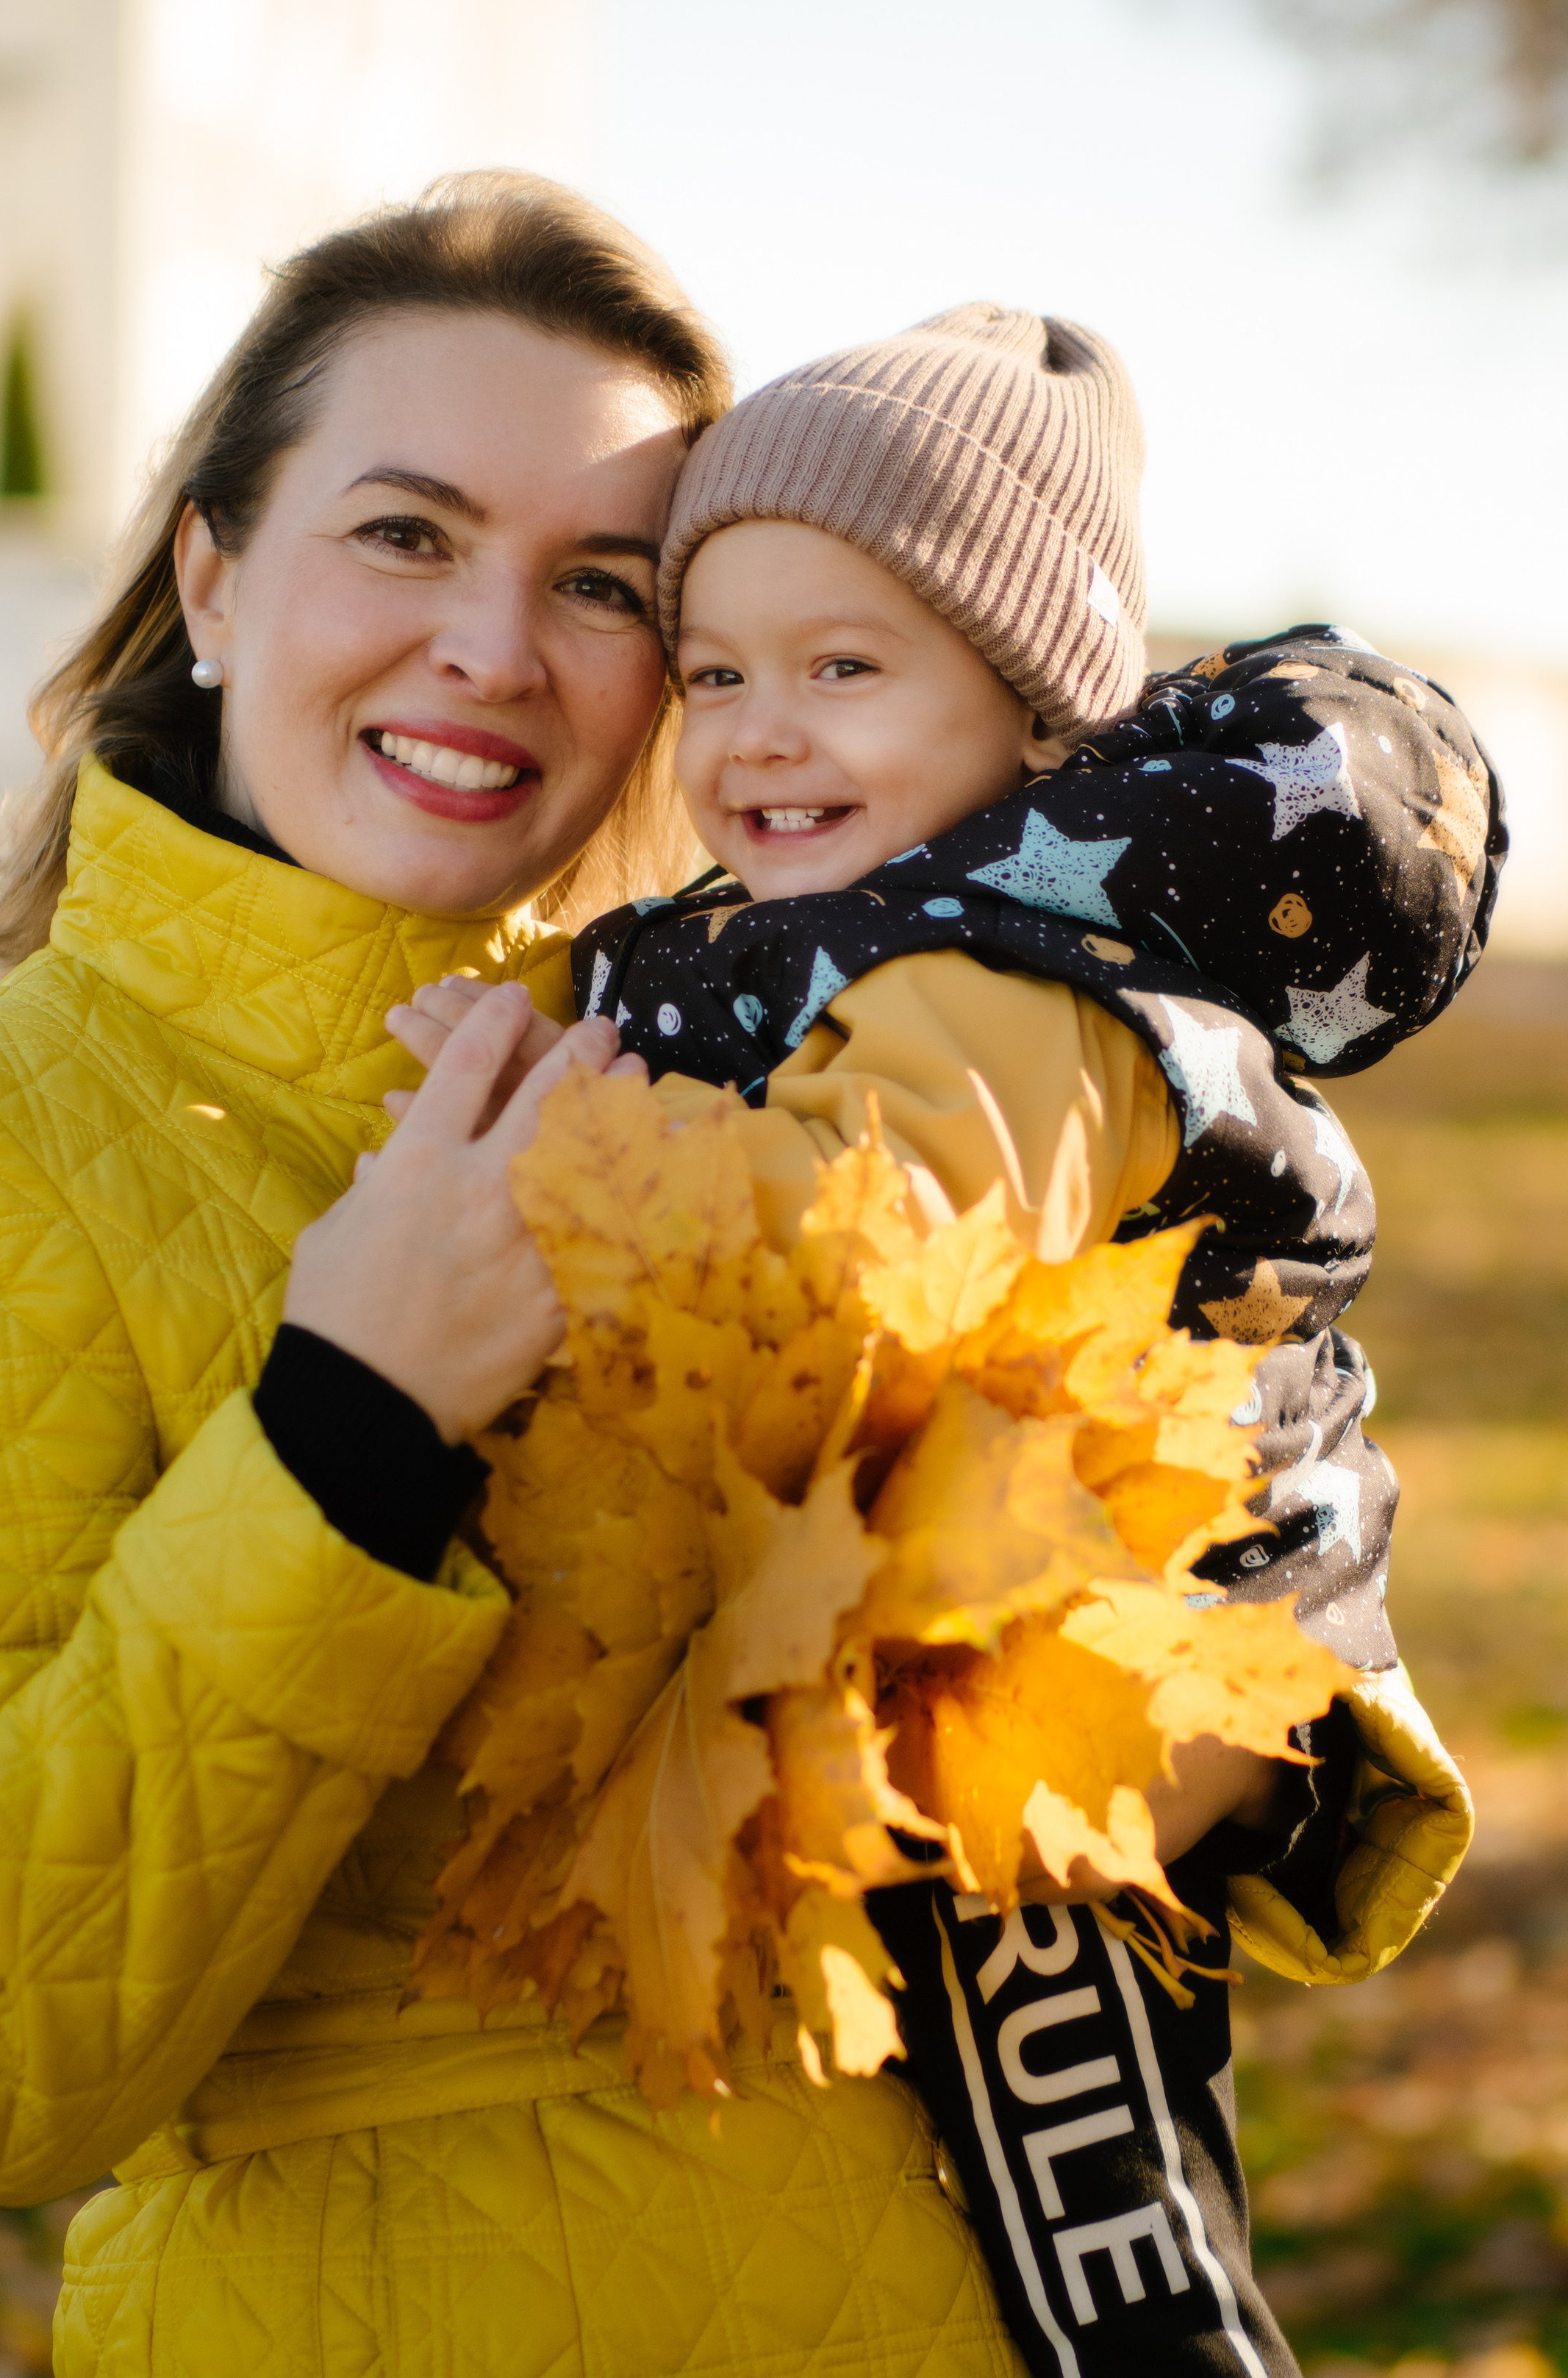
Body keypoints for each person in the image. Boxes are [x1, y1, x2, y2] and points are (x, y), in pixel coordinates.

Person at [0, 174, 1056, 2378]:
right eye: (406, 534)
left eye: (598, 584)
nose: (495, 651)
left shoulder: (799, 1073)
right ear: (215, 576)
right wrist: (345, 1423)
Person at [398, 305, 1485, 2377]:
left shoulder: (1003, 985)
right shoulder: (868, 942)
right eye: (715, 673)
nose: (757, 733)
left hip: (1073, 1679)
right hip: (965, 1625)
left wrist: (549, 1145)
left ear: (1035, 717)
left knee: (1095, 2235)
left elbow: (833, 1277)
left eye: (845, 669)